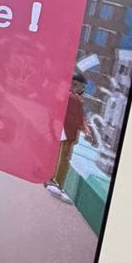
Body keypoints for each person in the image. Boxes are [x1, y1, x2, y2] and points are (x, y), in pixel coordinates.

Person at [45, 71, 91, 204]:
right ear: (75, 85)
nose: (82, 90)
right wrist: (86, 130)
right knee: (63, 158)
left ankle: (50, 180)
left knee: (56, 155)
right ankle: (56, 183)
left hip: (60, 130)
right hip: (67, 132)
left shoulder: (65, 95)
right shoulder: (74, 98)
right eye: (81, 87)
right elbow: (79, 118)